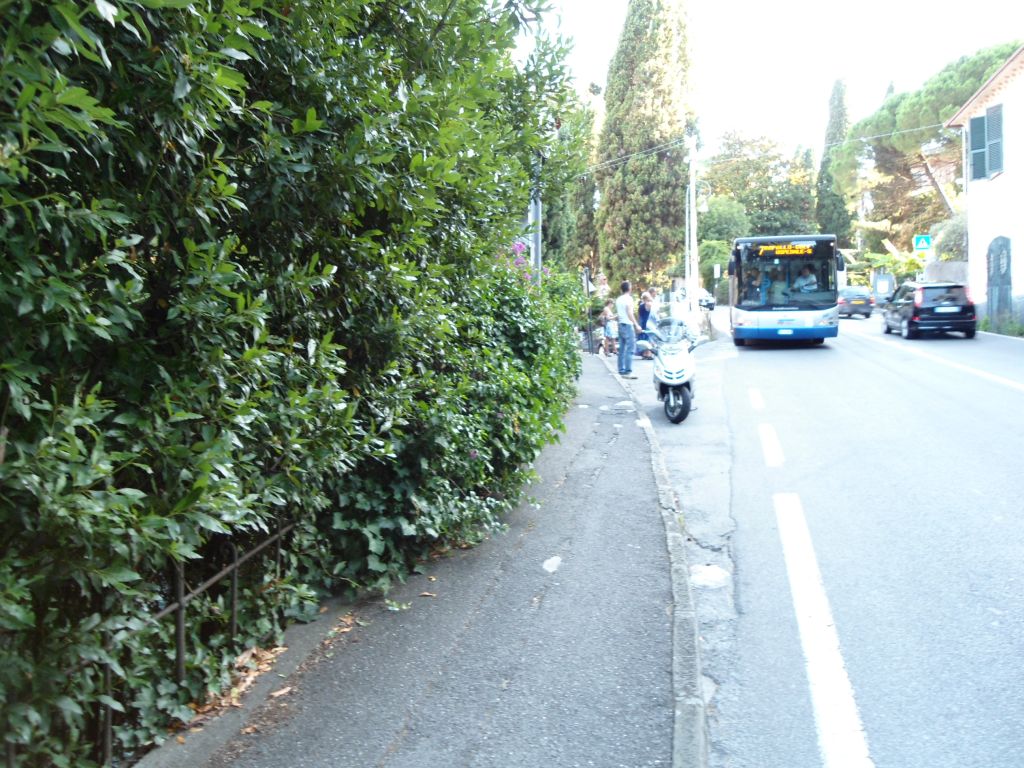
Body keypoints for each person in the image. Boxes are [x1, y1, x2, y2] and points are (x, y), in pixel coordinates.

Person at [615, 280, 642, 378]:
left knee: (622, 349)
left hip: (621, 324)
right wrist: (636, 325)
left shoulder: (618, 299)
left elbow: (619, 314)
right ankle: (628, 371)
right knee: (630, 348)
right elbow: (629, 313)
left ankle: (621, 370)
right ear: (629, 288)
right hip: (628, 325)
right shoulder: (629, 299)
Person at [637, 292, 658, 359]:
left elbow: (639, 315)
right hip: (648, 322)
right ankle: (648, 354)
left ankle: (644, 353)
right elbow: (654, 313)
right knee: (649, 338)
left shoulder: (641, 305)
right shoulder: (648, 304)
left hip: (642, 322)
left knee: (644, 338)